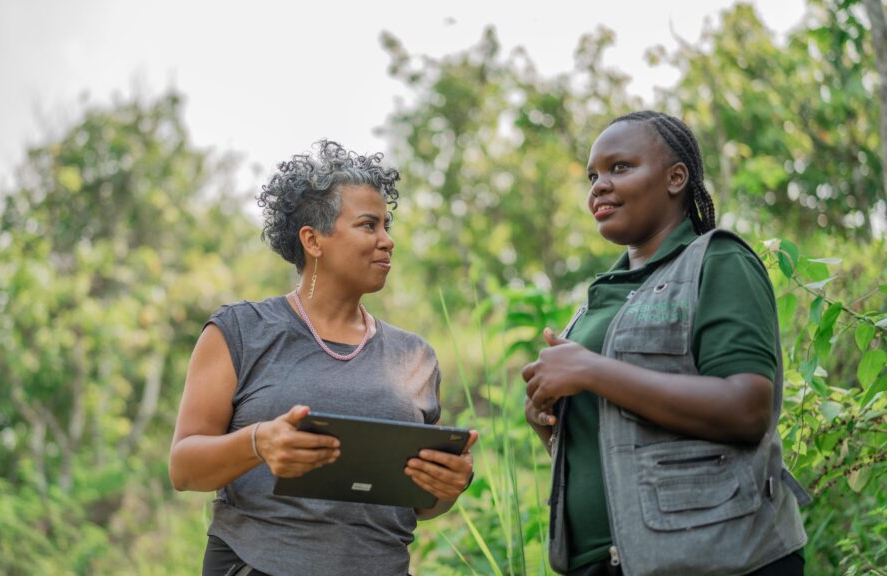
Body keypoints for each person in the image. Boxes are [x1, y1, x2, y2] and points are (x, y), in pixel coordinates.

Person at [169, 140, 477, 576]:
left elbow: (422, 506)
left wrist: (448, 486)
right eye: (369, 225)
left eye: (387, 226)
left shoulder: (415, 357)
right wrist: (259, 442)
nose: (388, 241)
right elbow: (184, 468)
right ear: (313, 240)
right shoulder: (240, 331)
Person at [522, 111, 808, 576]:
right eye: (593, 175)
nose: (598, 185)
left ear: (676, 178)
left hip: (718, 559)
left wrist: (592, 371)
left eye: (620, 168)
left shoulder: (719, 261)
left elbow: (747, 409)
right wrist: (546, 421)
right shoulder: (603, 296)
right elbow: (617, 443)